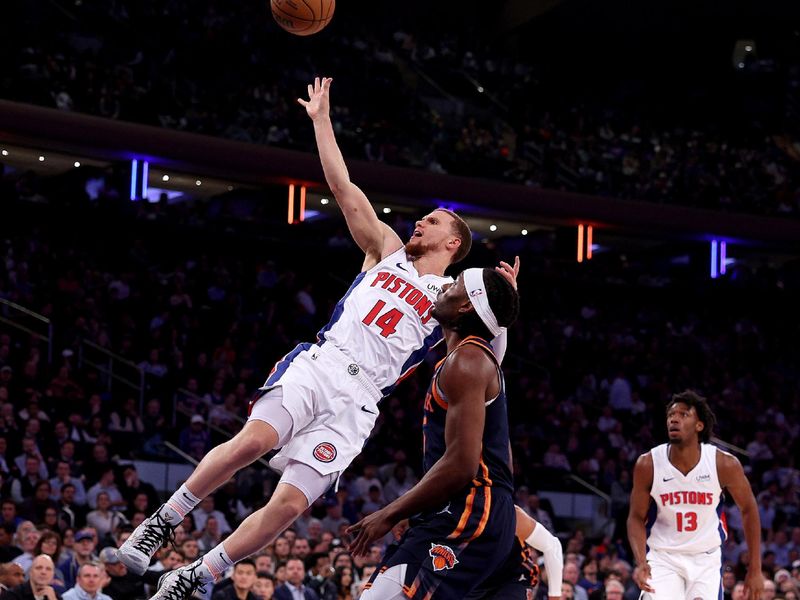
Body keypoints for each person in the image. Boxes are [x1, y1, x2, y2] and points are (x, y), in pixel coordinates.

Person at [119, 77, 516, 599]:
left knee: (287, 505)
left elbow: (483, 348)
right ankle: (162, 523)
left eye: (433, 220)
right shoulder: (387, 249)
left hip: (362, 400)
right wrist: (321, 121)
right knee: (254, 441)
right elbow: (344, 189)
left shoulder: (453, 296)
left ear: (453, 241)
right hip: (324, 363)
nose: (420, 221)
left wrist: (504, 306)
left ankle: (197, 575)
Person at [346, 268, 519, 598]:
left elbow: (461, 465)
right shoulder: (473, 357)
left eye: (455, 284)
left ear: (467, 306)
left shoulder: (467, 361)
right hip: (461, 510)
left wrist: (390, 511)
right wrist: (505, 301)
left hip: (470, 511)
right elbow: (495, 335)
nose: (444, 287)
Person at [627, 390, 764, 600]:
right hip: (664, 557)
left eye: (683, 414)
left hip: (705, 559)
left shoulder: (723, 464)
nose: (674, 418)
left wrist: (755, 569)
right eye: (671, 415)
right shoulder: (648, 464)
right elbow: (636, 517)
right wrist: (641, 561)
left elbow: (749, 509)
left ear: (699, 425)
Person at [466, 506, 562, 599]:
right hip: (476, 580)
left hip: (513, 577)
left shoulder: (508, 514)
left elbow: (553, 546)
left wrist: (554, 596)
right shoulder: (455, 515)